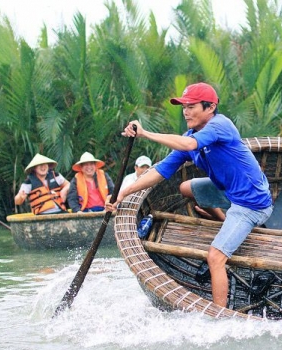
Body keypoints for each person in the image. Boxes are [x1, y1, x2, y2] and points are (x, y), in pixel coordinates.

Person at [106, 82, 273, 308]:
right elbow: (160, 171)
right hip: (229, 192)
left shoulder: (220, 125)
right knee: (185, 188)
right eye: (183, 106)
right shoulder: (190, 135)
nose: (185, 112)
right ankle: (226, 222)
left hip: (252, 203)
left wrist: (145, 133)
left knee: (215, 258)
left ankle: (219, 316)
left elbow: (189, 143)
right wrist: (123, 193)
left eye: (191, 106)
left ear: (210, 107)